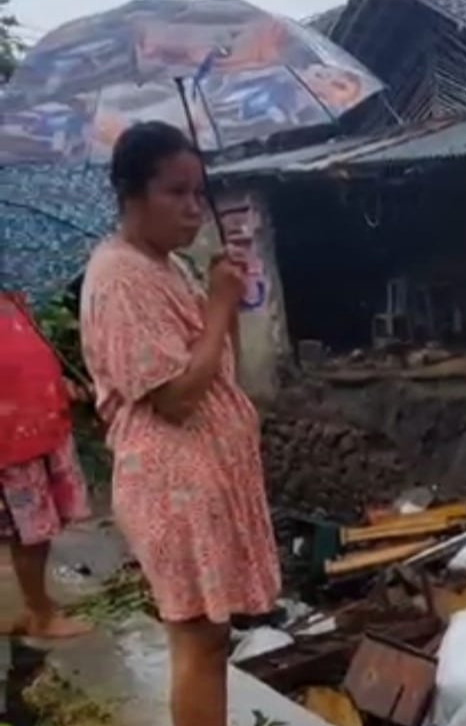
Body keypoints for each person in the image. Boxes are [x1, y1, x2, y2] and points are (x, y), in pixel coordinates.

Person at [80, 121, 280, 726]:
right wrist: (219, 304)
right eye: (176, 192)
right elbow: (176, 398)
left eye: (199, 192)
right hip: (173, 485)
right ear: (130, 194)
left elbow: (218, 370)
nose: (194, 208)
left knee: (210, 639)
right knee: (197, 640)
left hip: (203, 478)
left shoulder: (168, 267)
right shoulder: (119, 277)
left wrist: (225, 296)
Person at [0, 292, 92, 639]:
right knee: (29, 534)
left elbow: (27, 356)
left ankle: (34, 605)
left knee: (37, 530)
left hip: (39, 428)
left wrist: (60, 385)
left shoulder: (12, 297)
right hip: (11, 442)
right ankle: (40, 614)